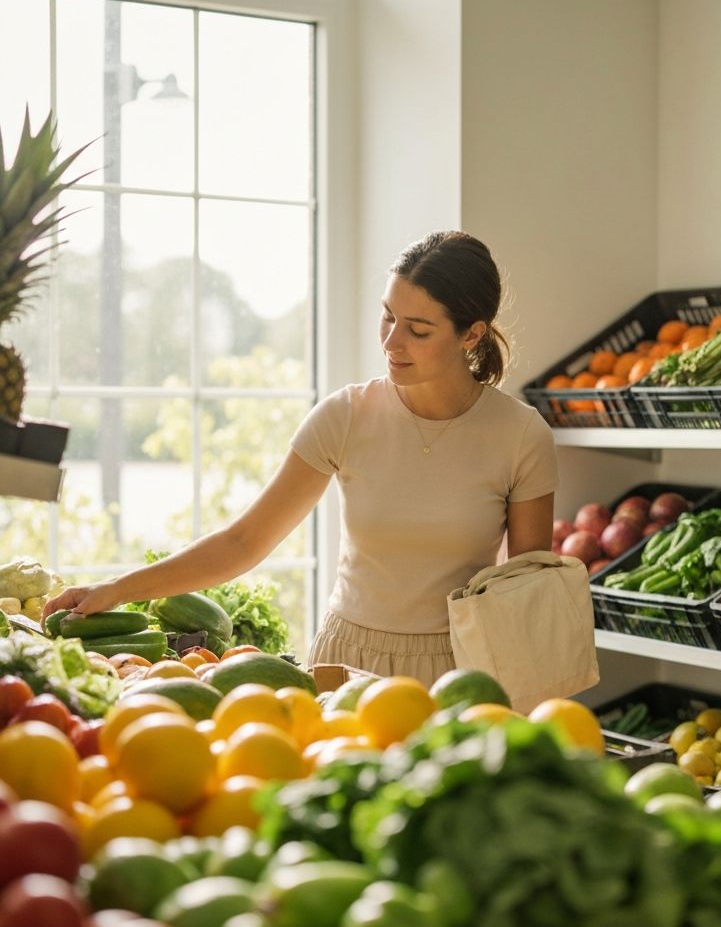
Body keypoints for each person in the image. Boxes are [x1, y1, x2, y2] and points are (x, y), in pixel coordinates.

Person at [43, 230, 558, 684]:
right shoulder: (346, 416)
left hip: (462, 672)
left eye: (417, 330)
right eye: (387, 316)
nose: (391, 341)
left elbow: (526, 595)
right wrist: (115, 590)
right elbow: (245, 541)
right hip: (348, 663)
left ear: (472, 334)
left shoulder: (520, 435)